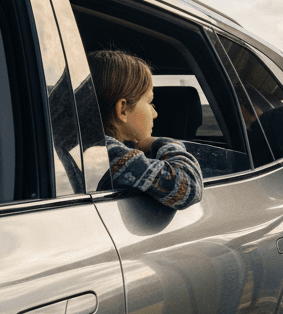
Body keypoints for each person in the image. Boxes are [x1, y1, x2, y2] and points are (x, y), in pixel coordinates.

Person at [87, 49, 203, 209]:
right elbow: (189, 187)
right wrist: (162, 144)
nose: (155, 114)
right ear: (122, 110)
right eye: (150, 102)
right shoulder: (112, 156)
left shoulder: (85, 147)